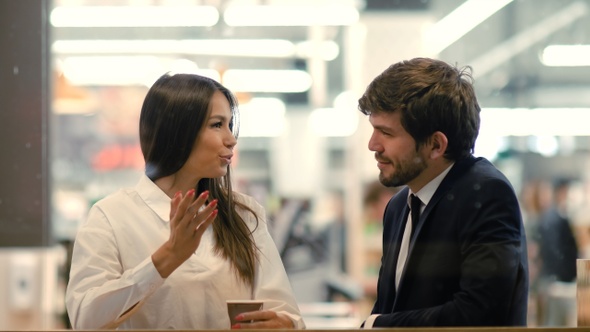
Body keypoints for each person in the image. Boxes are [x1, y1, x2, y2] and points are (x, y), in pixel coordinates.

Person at [65, 73, 305, 330]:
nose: (231, 139)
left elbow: (286, 312)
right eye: (216, 125)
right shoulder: (111, 217)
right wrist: (168, 257)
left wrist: (285, 325)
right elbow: (85, 318)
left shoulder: (244, 214)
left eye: (229, 125)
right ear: (178, 132)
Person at [357, 57, 528, 327]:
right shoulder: (399, 206)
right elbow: (390, 307)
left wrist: (377, 325)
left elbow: (480, 313)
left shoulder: (485, 194)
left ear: (436, 144)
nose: (372, 144)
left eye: (386, 133)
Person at [537, 177, 579, 326]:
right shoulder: (556, 218)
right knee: (555, 323)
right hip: (558, 281)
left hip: (553, 278)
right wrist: (561, 277)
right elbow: (555, 250)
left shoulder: (550, 216)